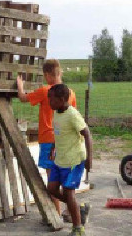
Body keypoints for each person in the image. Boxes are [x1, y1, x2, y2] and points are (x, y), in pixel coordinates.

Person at [16, 59, 76, 215]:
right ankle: (71, 211)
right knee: (65, 179)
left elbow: (23, 98)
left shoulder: (45, 91)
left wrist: (20, 86)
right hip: (65, 141)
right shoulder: (71, 93)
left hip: (49, 141)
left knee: (52, 181)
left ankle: (56, 214)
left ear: (49, 75)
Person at [47, 84, 93, 236]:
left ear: (61, 99)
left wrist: (89, 159)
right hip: (60, 159)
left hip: (74, 161)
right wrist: (53, 147)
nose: (49, 102)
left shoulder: (73, 114)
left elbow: (87, 134)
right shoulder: (57, 112)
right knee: (52, 189)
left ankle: (78, 228)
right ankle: (78, 209)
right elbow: (60, 132)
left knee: (68, 192)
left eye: (51, 99)